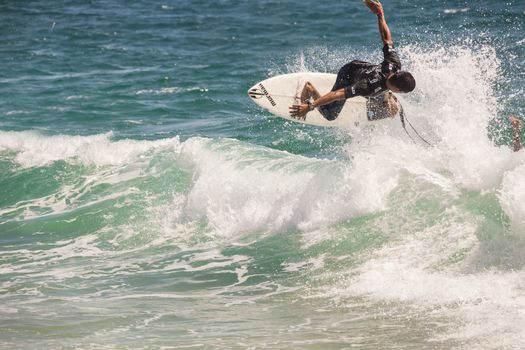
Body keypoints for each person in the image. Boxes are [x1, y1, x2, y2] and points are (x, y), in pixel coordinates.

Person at [289, 0, 416, 121]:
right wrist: (310, 106)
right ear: (398, 89)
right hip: (349, 75)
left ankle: (385, 96)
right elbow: (338, 94)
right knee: (330, 115)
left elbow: (387, 39)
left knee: (386, 112)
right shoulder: (367, 86)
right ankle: (309, 89)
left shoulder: (394, 64)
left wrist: (380, 14)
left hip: (363, 70)